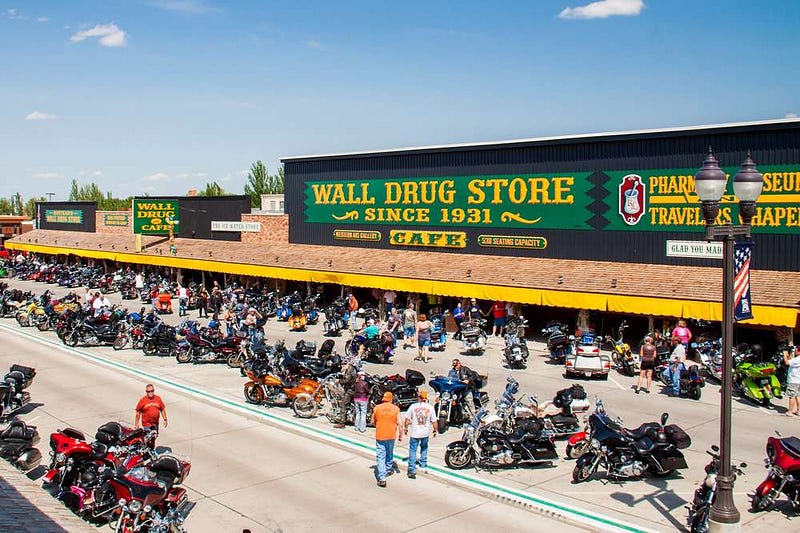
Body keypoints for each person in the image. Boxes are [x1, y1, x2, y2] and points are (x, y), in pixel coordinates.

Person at [370, 391, 402, 488]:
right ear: (391, 399)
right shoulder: (396, 409)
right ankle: (388, 469)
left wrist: (379, 424)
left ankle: (382, 478)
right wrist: (400, 435)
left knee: (381, 456)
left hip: (380, 435)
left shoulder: (377, 408)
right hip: (391, 435)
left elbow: (372, 422)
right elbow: (400, 423)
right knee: (389, 452)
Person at [403, 390, 437, 478]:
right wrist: (435, 430)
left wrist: (406, 428)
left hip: (415, 433)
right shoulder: (430, 407)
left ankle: (412, 469)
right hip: (425, 433)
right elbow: (434, 421)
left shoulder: (413, 406)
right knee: (424, 447)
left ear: (419, 397)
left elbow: (407, 420)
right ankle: (423, 463)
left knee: (413, 450)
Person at [334, 357, 359, 428]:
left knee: (343, 404)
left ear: (346, 363)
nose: (342, 366)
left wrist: (339, 381)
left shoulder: (349, 370)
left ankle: (342, 422)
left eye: (343, 364)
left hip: (350, 390)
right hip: (353, 388)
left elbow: (347, 380)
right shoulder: (353, 368)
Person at [783, 345, 800, 416]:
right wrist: (788, 355)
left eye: (796, 350)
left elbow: (787, 363)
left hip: (793, 380)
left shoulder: (798, 359)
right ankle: (799, 411)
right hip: (798, 380)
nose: (795, 351)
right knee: (798, 396)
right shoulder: (797, 359)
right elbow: (790, 361)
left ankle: (790, 412)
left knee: (791, 396)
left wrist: (784, 354)